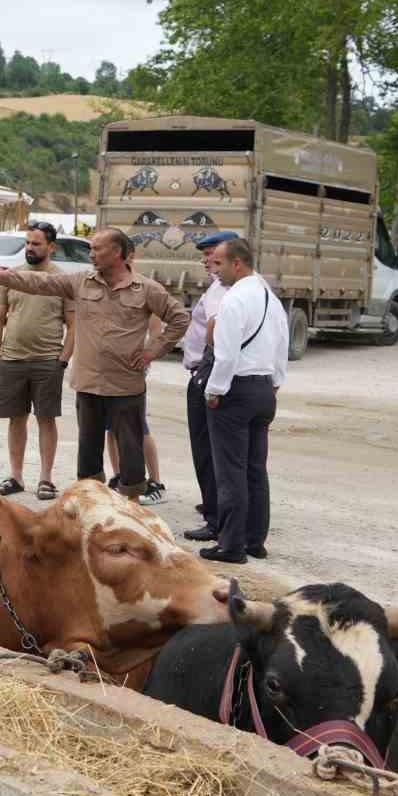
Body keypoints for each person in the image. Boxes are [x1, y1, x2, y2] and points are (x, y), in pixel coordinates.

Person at [0, 229, 188, 500]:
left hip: (126, 385)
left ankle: (132, 503)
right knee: (88, 450)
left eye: (98, 249)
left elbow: (180, 318)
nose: (91, 254)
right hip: (88, 384)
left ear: (118, 253)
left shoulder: (146, 289)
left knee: (130, 449)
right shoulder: (80, 282)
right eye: (91, 248)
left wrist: (152, 350)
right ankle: (92, 502)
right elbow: (38, 283)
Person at [200, 239, 288, 564]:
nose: (215, 269)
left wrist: (214, 391)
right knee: (255, 468)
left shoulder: (234, 299)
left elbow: (226, 354)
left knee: (230, 471)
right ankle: (254, 540)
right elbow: (282, 344)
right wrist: (275, 382)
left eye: (219, 264)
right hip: (264, 389)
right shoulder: (269, 296)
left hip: (235, 390)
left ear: (238, 263)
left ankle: (231, 545)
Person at [0, 221, 75, 500]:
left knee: (46, 419)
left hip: (48, 361)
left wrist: (63, 359)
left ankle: (46, 479)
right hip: (12, 361)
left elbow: (74, 325)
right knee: (16, 419)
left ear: (51, 247)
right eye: (27, 243)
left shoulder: (62, 281)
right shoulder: (10, 277)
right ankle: (15, 476)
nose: (30, 248)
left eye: (36, 244)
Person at [179, 231, 239, 542]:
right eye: (204, 256)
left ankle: (215, 518)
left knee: (207, 451)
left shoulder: (222, 289)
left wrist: (207, 367)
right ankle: (218, 510)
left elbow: (215, 327)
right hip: (213, 371)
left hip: (207, 372)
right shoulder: (245, 288)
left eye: (212, 255)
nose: (206, 261)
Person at [106, 314, 166, 505]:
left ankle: (156, 482)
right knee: (110, 427)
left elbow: (156, 332)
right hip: (107, 368)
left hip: (132, 370)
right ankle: (118, 477)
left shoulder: (145, 291)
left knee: (139, 427)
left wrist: (146, 357)